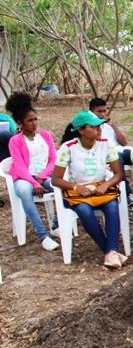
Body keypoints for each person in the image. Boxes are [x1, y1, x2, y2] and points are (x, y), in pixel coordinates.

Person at [51, 110, 127, 268]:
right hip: (78, 192)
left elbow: (119, 174)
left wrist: (106, 184)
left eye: (99, 127)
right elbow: (55, 179)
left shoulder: (106, 144)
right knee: (84, 211)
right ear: (81, 130)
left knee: (112, 206)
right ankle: (111, 251)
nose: (99, 130)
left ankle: (111, 251)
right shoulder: (68, 147)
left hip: (101, 188)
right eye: (94, 127)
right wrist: (76, 187)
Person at [5, 92, 59, 251]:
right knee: (23, 190)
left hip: (44, 176)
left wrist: (42, 177)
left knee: (60, 186)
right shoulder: (15, 141)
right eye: (30, 120)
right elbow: (20, 166)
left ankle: (56, 224)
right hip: (24, 178)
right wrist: (34, 182)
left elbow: (52, 159)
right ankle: (43, 235)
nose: (34, 123)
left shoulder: (45, 136)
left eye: (35, 119)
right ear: (21, 123)